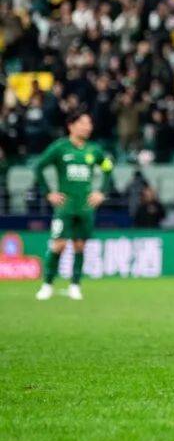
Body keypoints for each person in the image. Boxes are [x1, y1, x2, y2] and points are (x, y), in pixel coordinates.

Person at [34, 109, 114, 301]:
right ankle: (47, 284)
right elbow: (38, 166)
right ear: (71, 126)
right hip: (65, 207)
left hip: (85, 207)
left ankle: (75, 285)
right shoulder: (60, 148)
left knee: (80, 246)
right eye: (83, 123)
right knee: (59, 245)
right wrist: (48, 193)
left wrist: (101, 192)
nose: (88, 127)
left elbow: (108, 168)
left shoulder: (93, 150)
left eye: (89, 124)